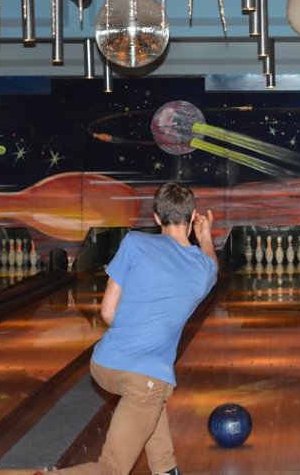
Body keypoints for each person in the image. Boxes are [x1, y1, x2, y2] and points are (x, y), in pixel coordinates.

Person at [45, 181, 218, 475]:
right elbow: (211, 260)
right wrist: (206, 237)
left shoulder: (134, 242)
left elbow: (108, 312)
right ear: (192, 218)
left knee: (155, 393)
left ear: (156, 218)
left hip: (104, 363)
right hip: (143, 377)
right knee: (113, 467)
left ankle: (166, 469)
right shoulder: (204, 270)